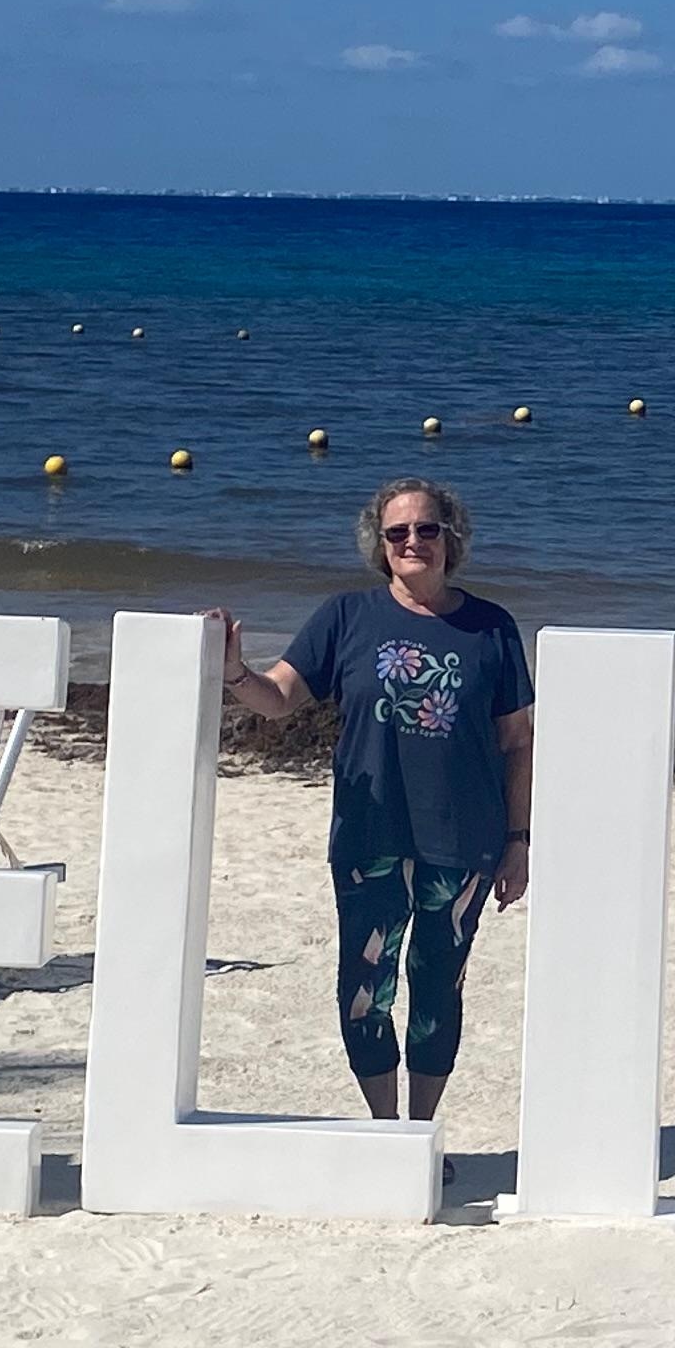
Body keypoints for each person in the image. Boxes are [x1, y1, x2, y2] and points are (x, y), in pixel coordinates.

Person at [213, 478, 534, 1121]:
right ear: (379, 544)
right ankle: (384, 1129)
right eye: (398, 532)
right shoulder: (346, 617)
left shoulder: (491, 627)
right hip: (370, 835)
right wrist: (235, 673)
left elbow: (517, 743)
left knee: (439, 987)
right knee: (365, 988)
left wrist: (519, 841)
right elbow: (279, 699)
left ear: (451, 538)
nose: (413, 541)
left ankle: (421, 1131)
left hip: (463, 839)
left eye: (427, 529)